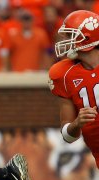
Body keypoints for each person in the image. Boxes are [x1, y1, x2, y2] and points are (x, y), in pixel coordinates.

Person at [48, 10, 99, 167]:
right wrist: (77, 123)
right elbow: (68, 136)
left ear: (88, 38)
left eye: (71, 36)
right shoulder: (63, 74)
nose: (66, 41)